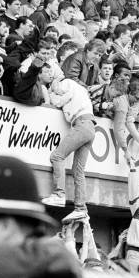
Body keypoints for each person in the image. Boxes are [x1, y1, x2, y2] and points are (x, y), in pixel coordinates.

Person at [42, 78, 96, 222]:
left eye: (53, 84)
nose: (54, 88)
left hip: (82, 124)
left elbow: (58, 101)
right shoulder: (81, 91)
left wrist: (50, 92)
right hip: (90, 126)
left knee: (57, 156)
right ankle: (80, 208)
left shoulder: (67, 83)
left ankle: (59, 194)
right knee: (78, 171)